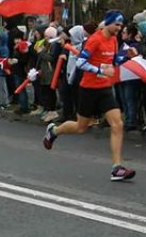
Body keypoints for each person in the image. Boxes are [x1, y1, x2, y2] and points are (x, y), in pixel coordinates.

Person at [43, 10, 137, 181]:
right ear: (108, 23)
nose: (119, 28)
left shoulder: (114, 40)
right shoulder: (95, 40)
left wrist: (126, 57)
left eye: (121, 25)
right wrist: (99, 70)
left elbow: (113, 62)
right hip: (88, 89)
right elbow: (81, 62)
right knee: (81, 127)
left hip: (105, 89)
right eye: (116, 24)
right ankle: (54, 131)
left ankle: (116, 168)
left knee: (117, 124)